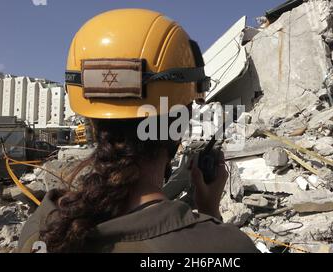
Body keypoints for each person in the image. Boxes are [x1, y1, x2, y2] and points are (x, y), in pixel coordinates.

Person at [18, 9, 258, 253]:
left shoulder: (42, 225)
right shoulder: (226, 247)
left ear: (90, 121)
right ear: (180, 123)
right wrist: (210, 215)